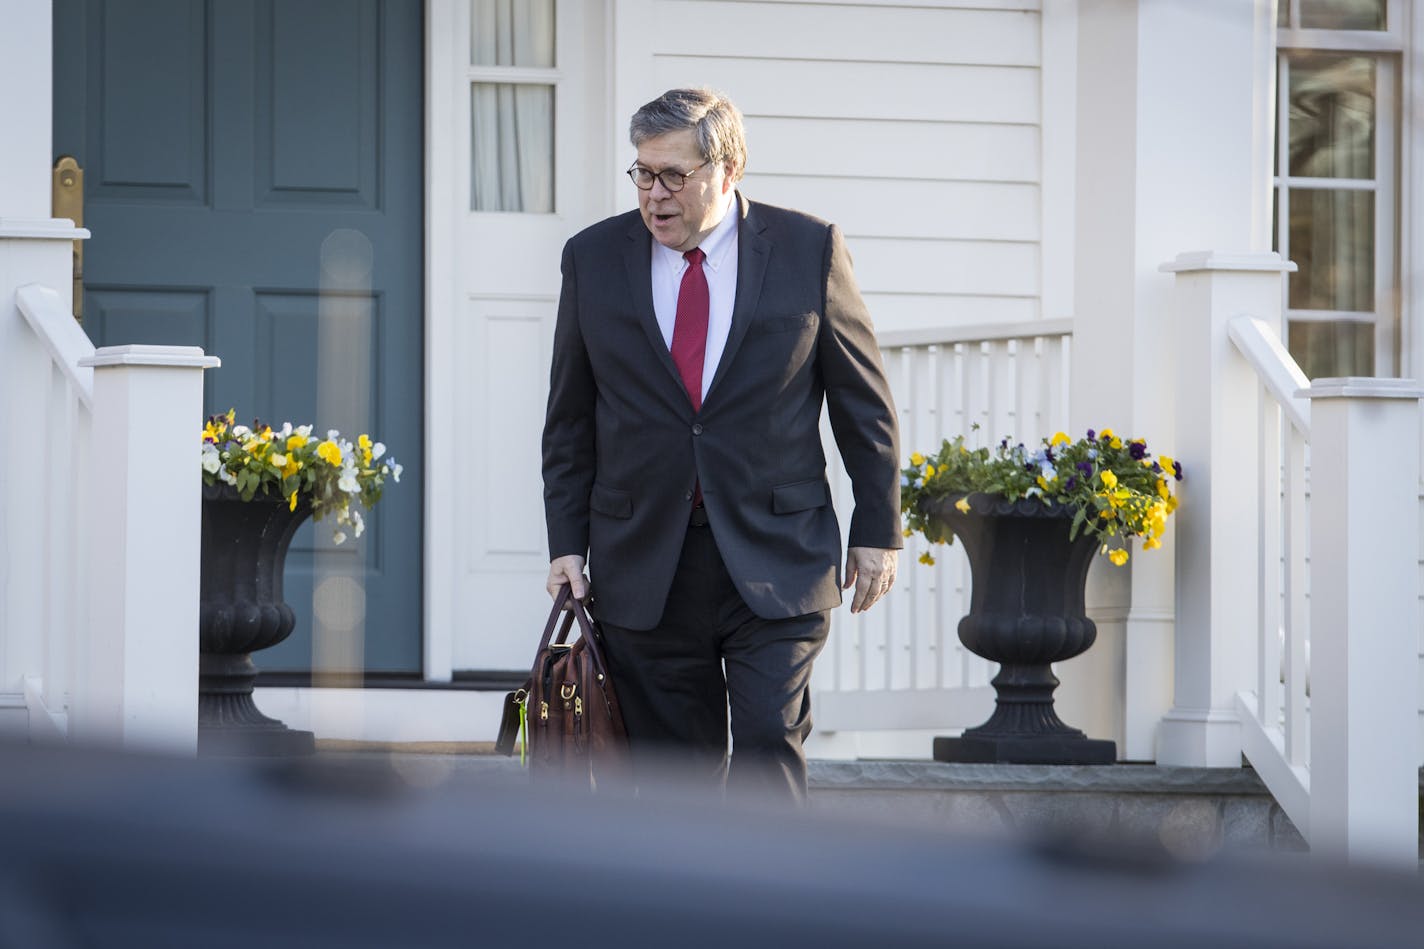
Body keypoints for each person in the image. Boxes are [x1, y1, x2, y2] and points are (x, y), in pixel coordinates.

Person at [542, 87, 900, 801]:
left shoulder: (808, 249)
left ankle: (772, 909)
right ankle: (686, 909)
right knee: (674, 775)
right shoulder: (593, 258)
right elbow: (570, 419)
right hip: (645, 559)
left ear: (728, 168)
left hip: (778, 553)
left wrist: (878, 528)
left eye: (675, 175)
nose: (655, 194)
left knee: (770, 741)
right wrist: (566, 544)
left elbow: (863, 401)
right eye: (643, 173)